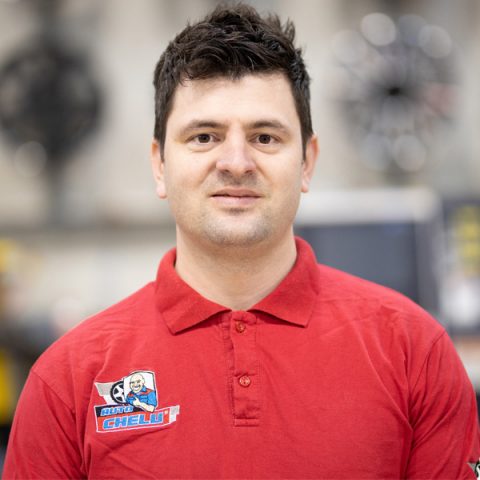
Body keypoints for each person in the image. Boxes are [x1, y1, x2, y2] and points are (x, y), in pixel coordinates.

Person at [3, 3, 480, 479]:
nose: (236, 162)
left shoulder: (415, 352)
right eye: (204, 137)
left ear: (307, 162)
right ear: (159, 165)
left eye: (265, 137)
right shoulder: (67, 379)